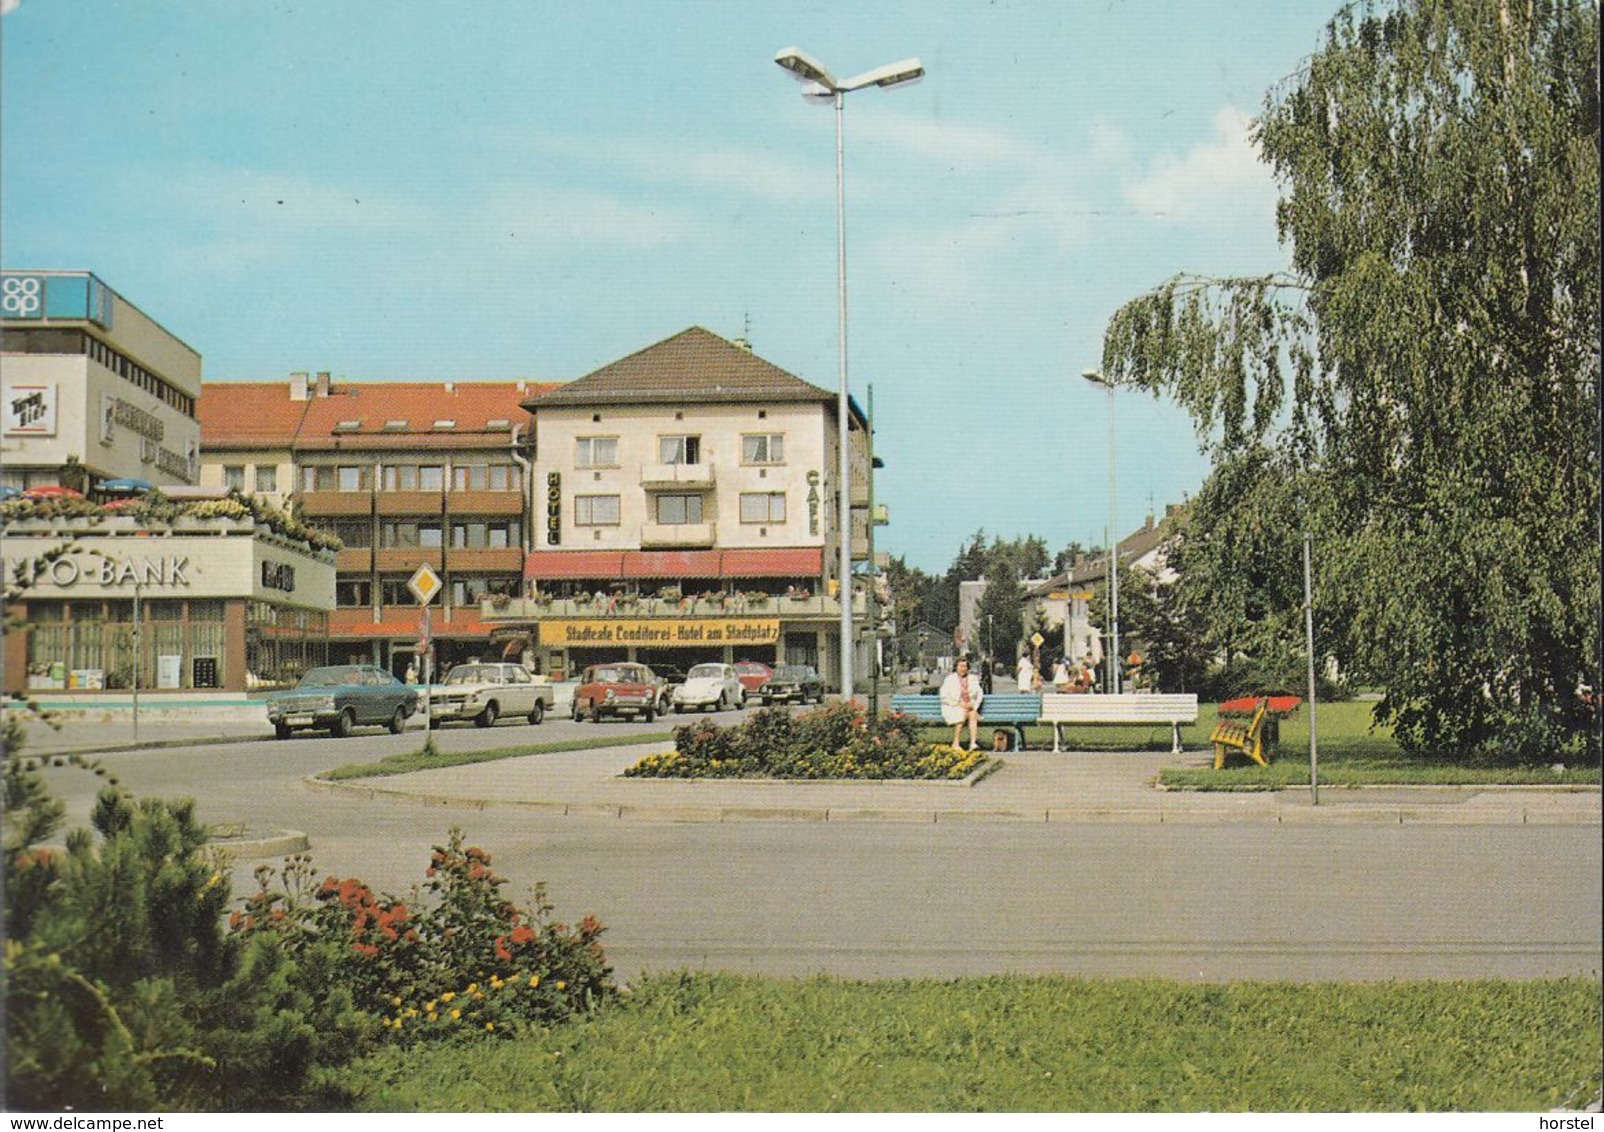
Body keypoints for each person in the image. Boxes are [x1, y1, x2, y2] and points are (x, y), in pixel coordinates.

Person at [939, 657, 984, 751]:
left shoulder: (973, 679)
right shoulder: (950, 679)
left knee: (972, 714)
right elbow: (944, 696)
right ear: (956, 667)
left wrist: (974, 705)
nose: (963, 668)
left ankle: (973, 743)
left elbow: (979, 693)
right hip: (952, 706)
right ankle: (955, 743)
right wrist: (959, 704)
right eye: (961, 666)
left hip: (969, 706)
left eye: (965, 666)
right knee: (961, 713)